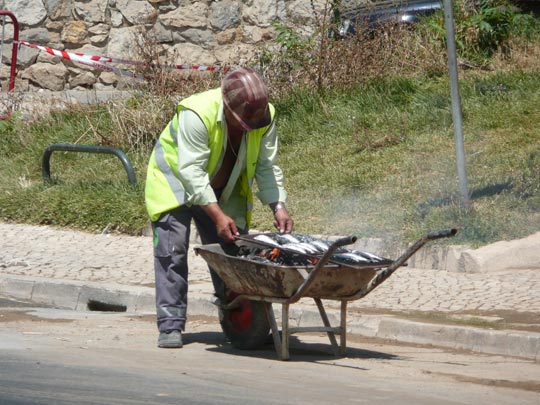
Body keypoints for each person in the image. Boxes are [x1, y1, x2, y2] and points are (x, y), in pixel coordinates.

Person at [144, 67, 294, 348]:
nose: (247, 128)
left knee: (232, 252)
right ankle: (170, 325)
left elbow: (266, 165)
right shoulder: (196, 114)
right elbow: (191, 172)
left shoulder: (263, 116)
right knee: (172, 251)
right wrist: (216, 216)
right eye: (241, 123)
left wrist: (278, 206)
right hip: (173, 184)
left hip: (222, 189)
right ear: (227, 107)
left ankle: (237, 321)